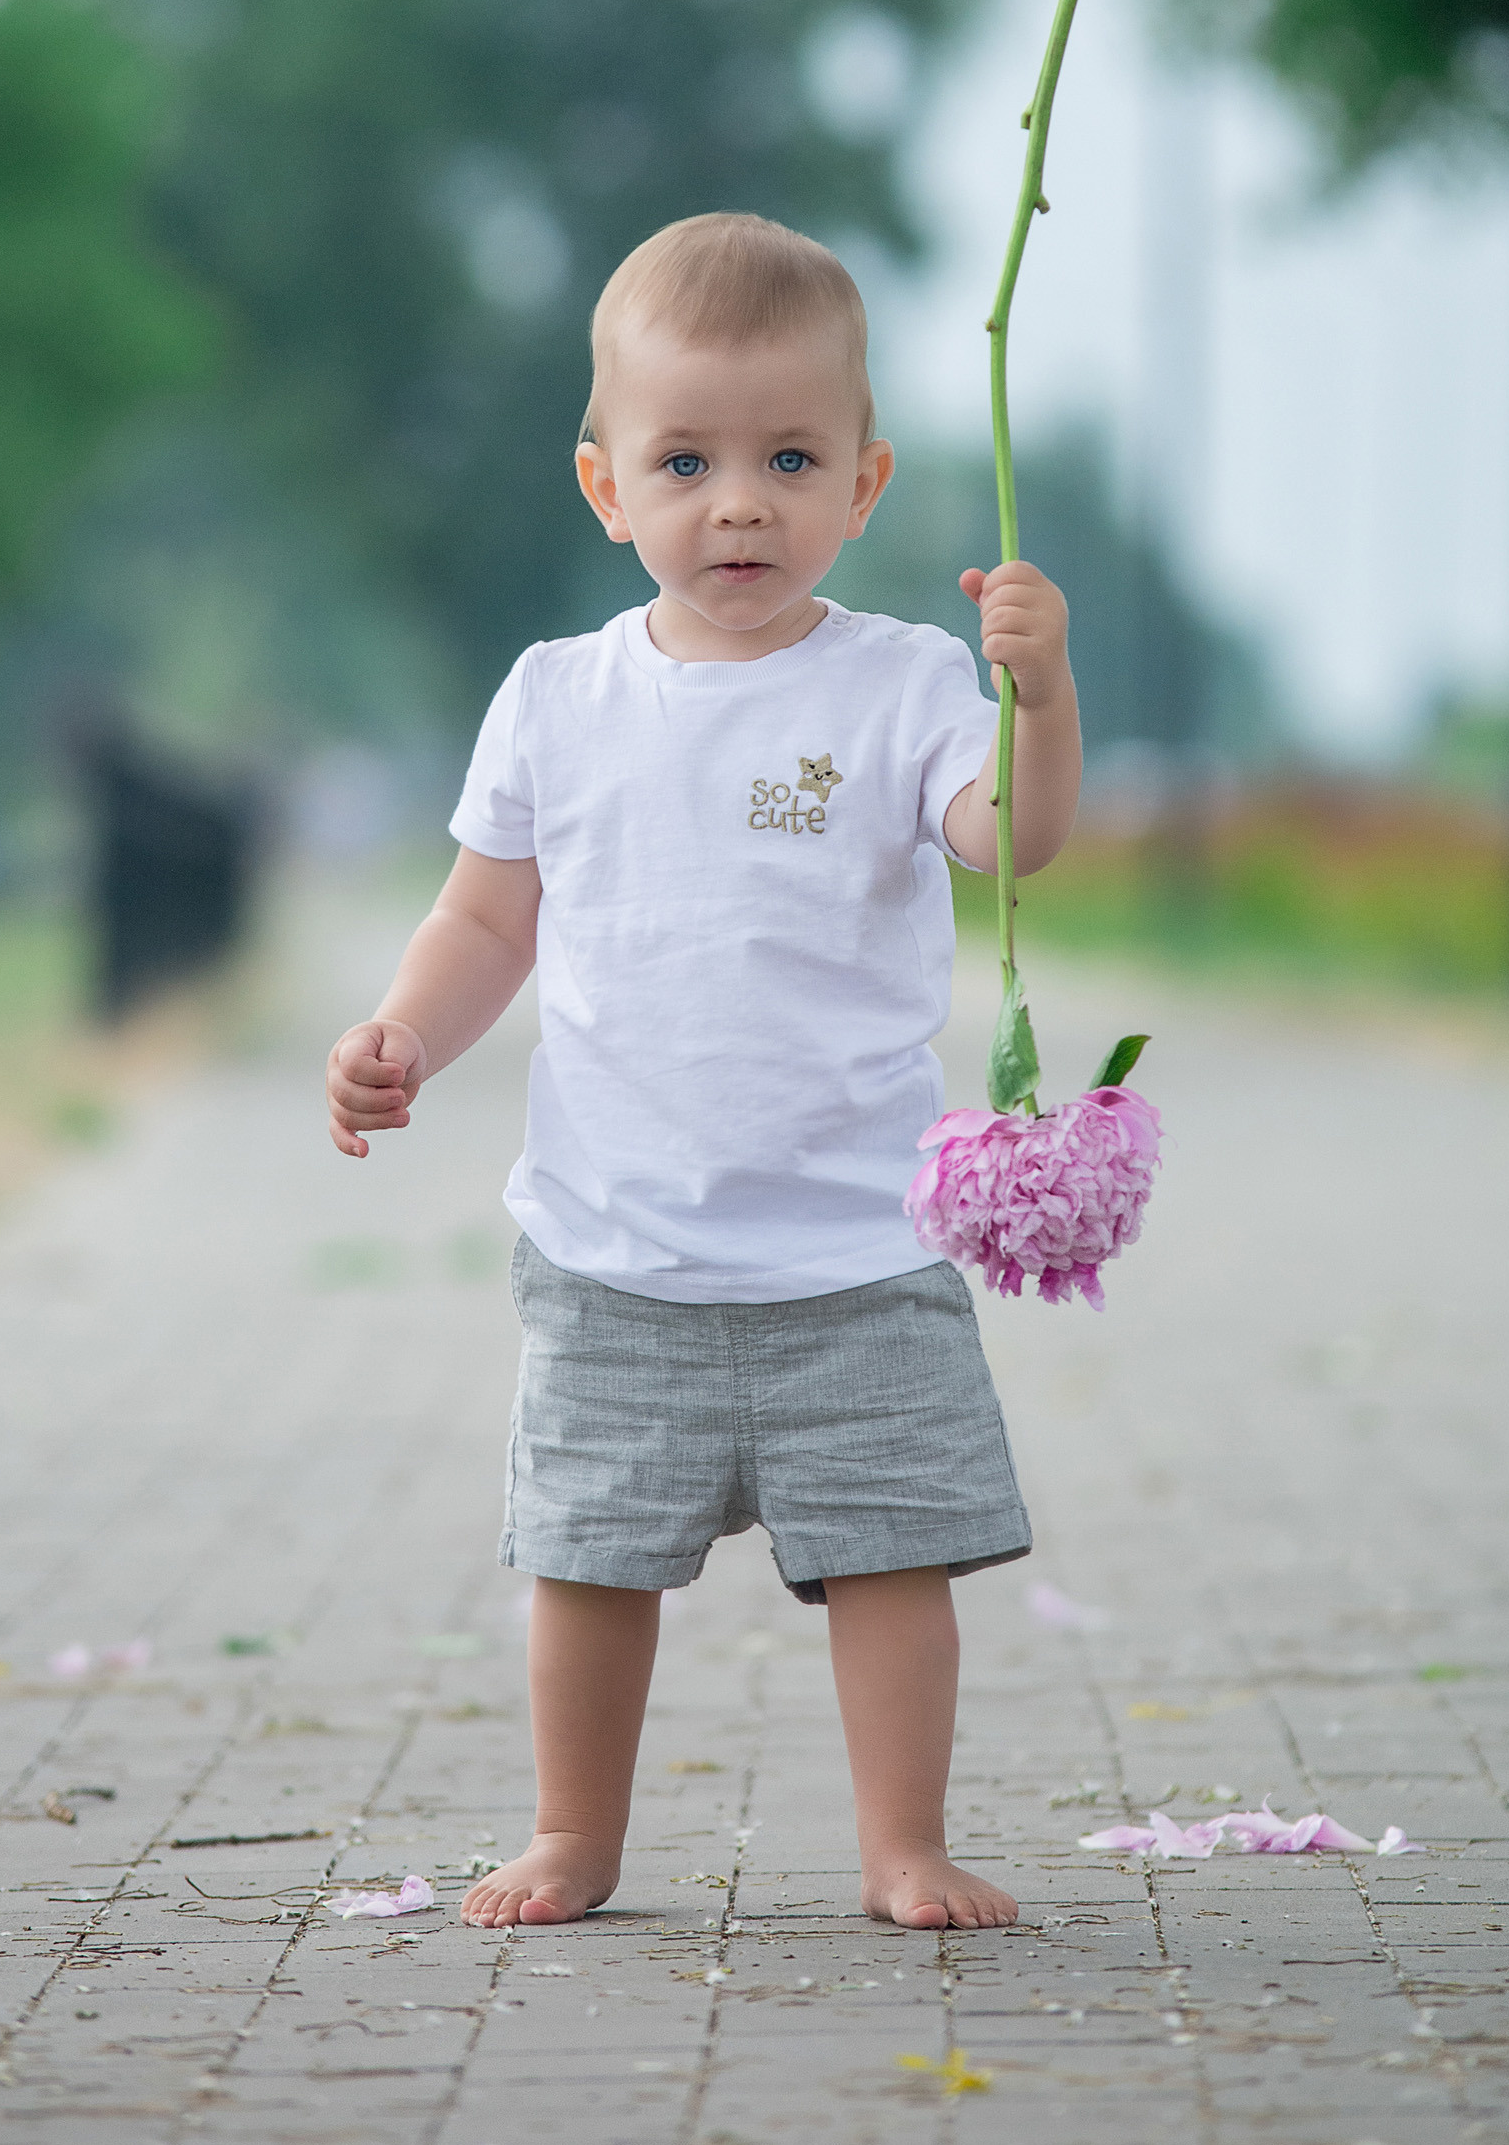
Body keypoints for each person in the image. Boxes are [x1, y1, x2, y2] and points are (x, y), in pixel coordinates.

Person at [325, 212, 1083, 1932]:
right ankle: (574, 1837)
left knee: (895, 1561)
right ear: (605, 484)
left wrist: (1037, 697)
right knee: (586, 1561)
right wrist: (404, 1039)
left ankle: (904, 1844)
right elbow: (485, 921)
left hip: (856, 1252)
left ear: (866, 484)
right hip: (619, 1249)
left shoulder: (898, 686)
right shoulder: (555, 697)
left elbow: (1010, 845)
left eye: (789, 457)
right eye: (687, 460)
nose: (738, 500)